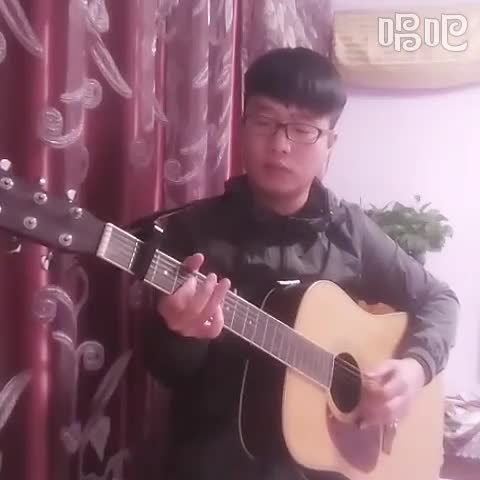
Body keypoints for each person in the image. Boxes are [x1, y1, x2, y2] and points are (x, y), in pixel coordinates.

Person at [129, 47, 459, 480]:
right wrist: (180, 334)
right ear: (242, 126)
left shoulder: (351, 231)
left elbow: (439, 299)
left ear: (330, 144)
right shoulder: (190, 232)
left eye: (303, 129)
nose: (280, 144)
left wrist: (416, 369)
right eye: (264, 122)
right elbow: (166, 372)